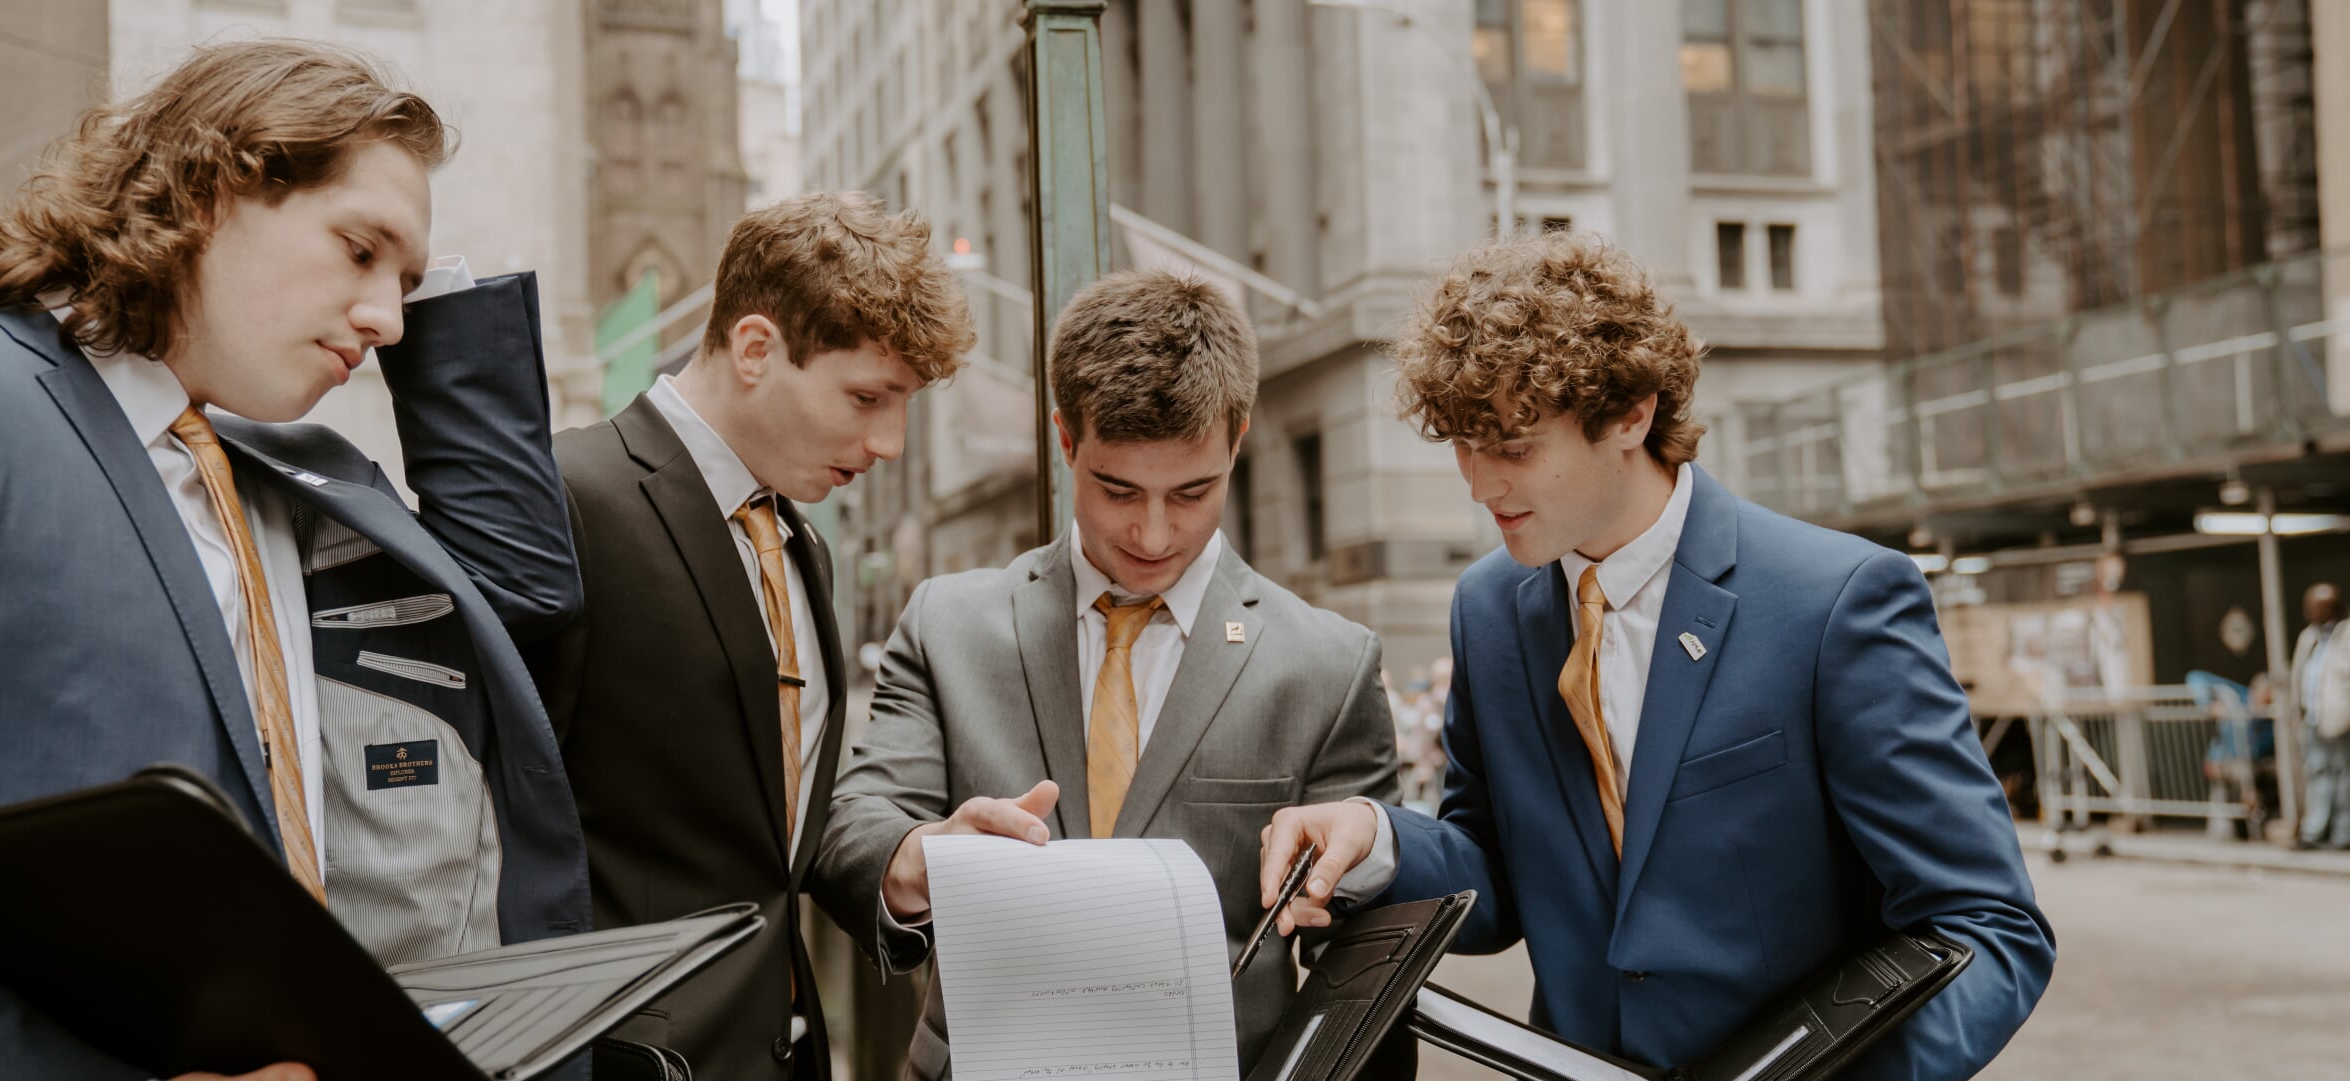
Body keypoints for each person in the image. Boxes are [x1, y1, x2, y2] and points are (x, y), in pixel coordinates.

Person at [1258, 233, 2054, 1080]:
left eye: (1515, 447)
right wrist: (1375, 837)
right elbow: (1495, 870)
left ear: (1631, 413)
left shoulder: (1836, 599)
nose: (1479, 483)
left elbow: (1988, 926)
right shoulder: (1488, 608)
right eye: (1461, 443)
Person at [0, 41, 588, 1081]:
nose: (387, 322)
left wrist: (431, 298)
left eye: (407, 282)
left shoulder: (292, 479)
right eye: (359, 249)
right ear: (212, 190)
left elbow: (522, 594)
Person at [808, 270, 1400, 1078]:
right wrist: (923, 852)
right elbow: (853, 826)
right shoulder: (947, 625)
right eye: (1117, 489)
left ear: (1238, 439)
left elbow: (1366, 961)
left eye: (1193, 491)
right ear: (1065, 440)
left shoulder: (1328, 663)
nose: (1153, 533)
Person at [529, 191, 973, 1079]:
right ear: (756, 349)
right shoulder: (565, 496)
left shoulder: (802, 540)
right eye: (867, 397)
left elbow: (770, 838)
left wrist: (902, 864)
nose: (888, 441)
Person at [2289, 583, 2350, 849]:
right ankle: (2316, 831)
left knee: (2344, 776)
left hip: (2341, 718)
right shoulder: (2308, 637)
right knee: (2317, 773)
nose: (2309, 610)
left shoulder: (2347, 634)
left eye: (2315, 605)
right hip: (2313, 717)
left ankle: (2343, 834)